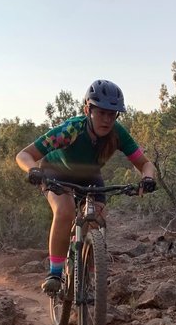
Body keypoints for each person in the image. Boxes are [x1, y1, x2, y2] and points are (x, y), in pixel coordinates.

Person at [15, 79, 157, 295]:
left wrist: (147, 178)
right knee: (65, 211)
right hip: (56, 172)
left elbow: (145, 163)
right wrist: (33, 170)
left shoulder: (117, 133)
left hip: (90, 176)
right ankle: (55, 274)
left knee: (97, 219)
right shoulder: (71, 129)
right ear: (87, 110)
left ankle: (88, 276)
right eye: (101, 113)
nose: (107, 119)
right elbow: (24, 155)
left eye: (112, 114)